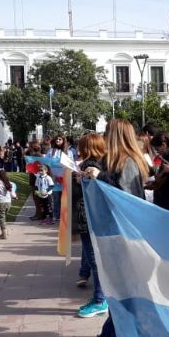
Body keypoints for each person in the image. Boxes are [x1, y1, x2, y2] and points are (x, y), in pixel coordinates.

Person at [83, 119, 149, 337]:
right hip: (113, 231)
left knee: (123, 287)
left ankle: (120, 335)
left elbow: (125, 198)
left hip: (124, 232)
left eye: (108, 132)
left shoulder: (128, 162)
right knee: (116, 285)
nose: (104, 135)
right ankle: (112, 330)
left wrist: (99, 176)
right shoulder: (118, 161)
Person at [73, 133, 107, 315]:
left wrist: (80, 180)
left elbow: (93, 191)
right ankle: (100, 297)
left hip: (88, 216)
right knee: (94, 258)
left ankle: (101, 299)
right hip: (92, 216)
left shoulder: (91, 165)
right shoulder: (100, 163)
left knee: (94, 259)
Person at [0, 168, 17, 240]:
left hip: (1, 202)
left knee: (1, 218)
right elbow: (12, 193)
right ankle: (5, 231)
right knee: (4, 217)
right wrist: (14, 197)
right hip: (8, 202)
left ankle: (4, 233)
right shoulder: (9, 183)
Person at [47, 134, 69, 221]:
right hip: (54, 179)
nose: (58, 141)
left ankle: (64, 215)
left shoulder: (68, 152)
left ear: (64, 141)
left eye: (60, 139)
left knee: (64, 199)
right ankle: (56, 215)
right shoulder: (51, 151)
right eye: (56, 139)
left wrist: (66, 176)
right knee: (56, 198)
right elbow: (47, 163)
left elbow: (70, 165)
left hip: (65, 179)